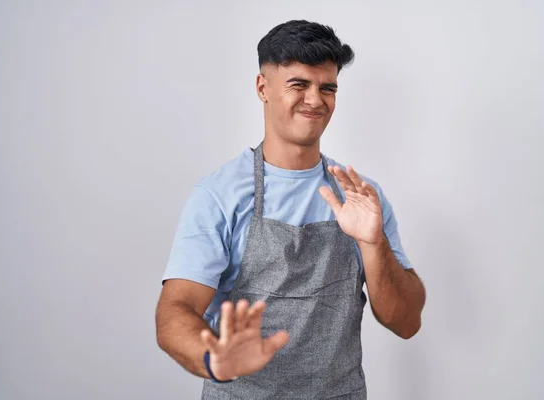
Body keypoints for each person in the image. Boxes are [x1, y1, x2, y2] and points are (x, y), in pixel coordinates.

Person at [155, 19, 426, 400]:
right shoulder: (220, 195)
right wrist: (215, 357)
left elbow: (406, 321)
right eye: (299, 85)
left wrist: (373, 242)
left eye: (327, 88)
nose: (315, 100)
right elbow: (175, 310)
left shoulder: (361, 198)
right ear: (263, 88)